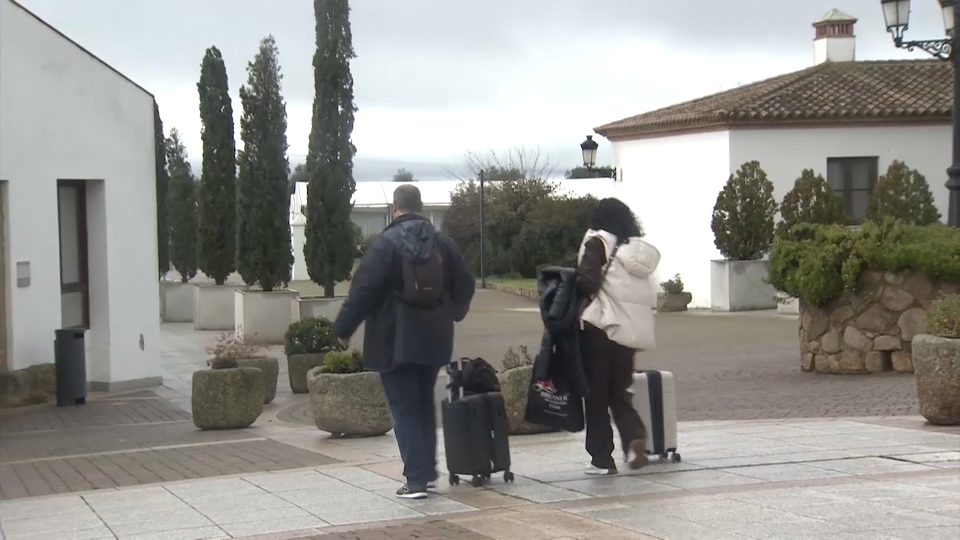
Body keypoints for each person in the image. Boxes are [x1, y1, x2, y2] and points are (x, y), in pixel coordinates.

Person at [333, 184, 475, 499]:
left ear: (395, 208)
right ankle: (426, 472)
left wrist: (343, 330)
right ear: (420, 207)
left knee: (404, 408)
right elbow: (465, 285)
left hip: (392, 338)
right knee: (423, 402)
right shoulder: (443, 243)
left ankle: (417, 479)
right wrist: (451, 312)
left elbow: (363, 292)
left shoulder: (385, 244)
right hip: (435, 337)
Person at [576, 197, 661, 475]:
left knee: (596, 395)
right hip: (629, 333)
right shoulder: (635, 251)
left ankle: (601, 459)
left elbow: (587, 280)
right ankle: (635, 437)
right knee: (620, 392)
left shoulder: (597, 243)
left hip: (601, 328)